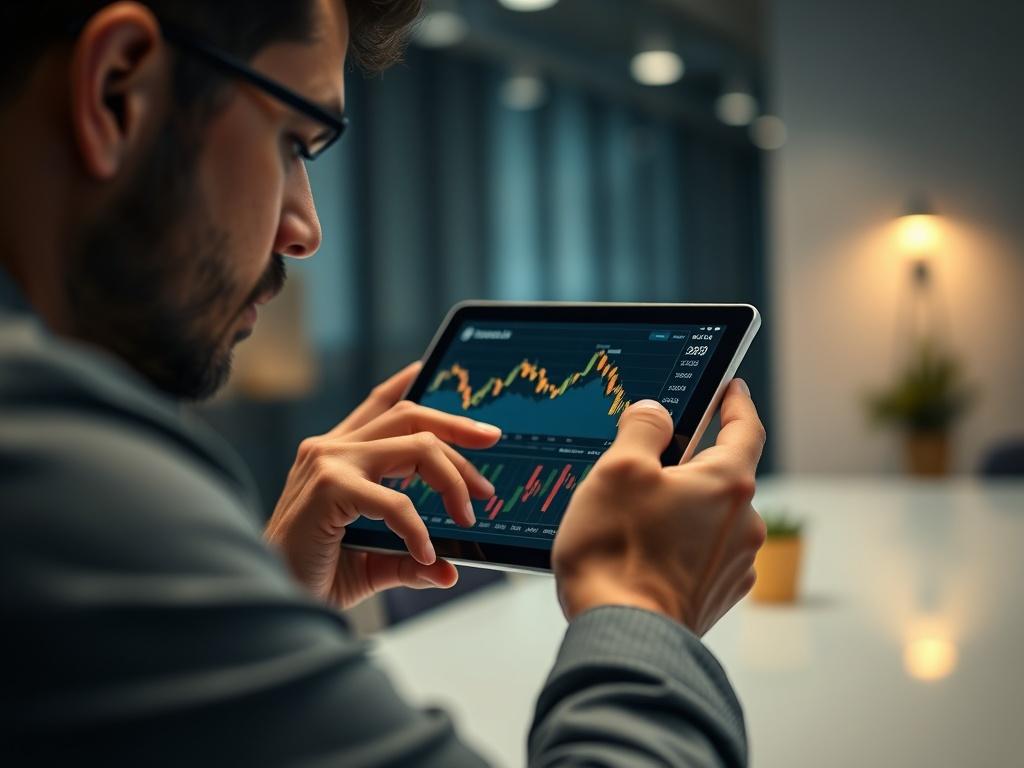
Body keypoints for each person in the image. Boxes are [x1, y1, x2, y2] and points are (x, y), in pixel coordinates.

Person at [0, 0, 767, 764]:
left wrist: (267, 614)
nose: (305, 228)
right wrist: (646, 611)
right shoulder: (51, 460)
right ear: (115, 91)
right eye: (294, 142)